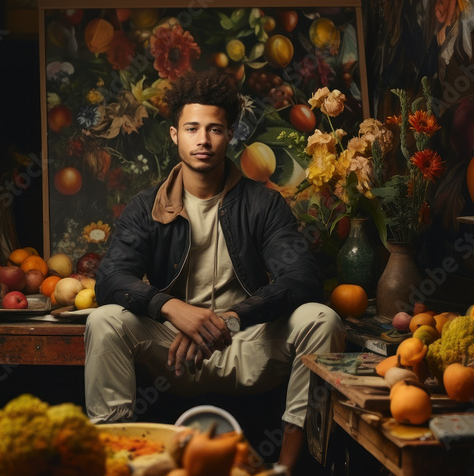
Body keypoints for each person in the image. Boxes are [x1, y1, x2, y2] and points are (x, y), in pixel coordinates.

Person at [84, 68, 345, 471]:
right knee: (105, 321)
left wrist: (234, 318)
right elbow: (111, 279)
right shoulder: (146, 206)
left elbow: (303, 278)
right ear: (175, 135)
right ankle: (120, 464)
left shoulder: (263, 204)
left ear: (230, 135)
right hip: (174, 350)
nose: (202, 140)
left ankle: (288, 468)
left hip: (244, 344)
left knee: (322, 319)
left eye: (214, 129)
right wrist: (172, 308)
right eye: (192, 128)